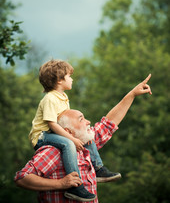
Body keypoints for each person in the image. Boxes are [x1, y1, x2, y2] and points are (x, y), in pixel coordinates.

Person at [15, 74, 152, 203]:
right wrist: (62, 183)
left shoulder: (86, 145)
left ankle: (100, 170)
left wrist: (132, 94)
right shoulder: (53, 151)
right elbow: (22, 178)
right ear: (67, 131)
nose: (88, 122)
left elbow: (109, 123)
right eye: (82, 119)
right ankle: (75, 189)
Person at [28, 59, 120, 202]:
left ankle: (98, 168)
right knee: (69, 144)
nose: (72, 79)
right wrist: (72, 139)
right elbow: (52, 124)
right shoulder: (50, 99)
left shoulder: (63, 97)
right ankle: (75, 186)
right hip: (42, 136)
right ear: (59, 80)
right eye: (69, 76)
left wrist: (78, 136)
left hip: (55, 132)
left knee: (85, 137)